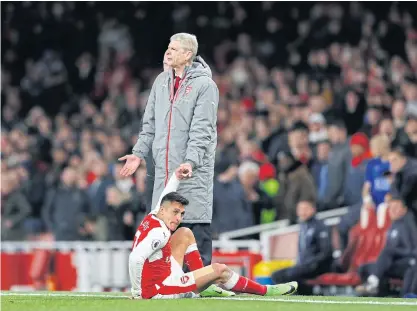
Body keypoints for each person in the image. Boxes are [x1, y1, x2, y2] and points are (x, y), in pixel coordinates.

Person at [119, 33, 218, 267]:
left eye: (174, 48)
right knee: (165, 239)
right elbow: (149, 125)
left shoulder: (205, 86)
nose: (168, 52)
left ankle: (201, 287)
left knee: (193, 231)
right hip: (164, 178)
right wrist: (138, 153)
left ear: (187, 54)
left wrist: (190, 162)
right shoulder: (161, 82)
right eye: (168, 47)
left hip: (190, 175)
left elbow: (202, 130)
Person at [129, 165, 298, 299]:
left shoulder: (155, 214)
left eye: (181, 213)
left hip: (162, 272)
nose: (178, 218)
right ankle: (265, 290)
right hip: (162, 289)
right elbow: (135, 258)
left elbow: (166, 195)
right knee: (220, 270)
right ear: (164, 211)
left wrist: (176, 177)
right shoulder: (161, 233)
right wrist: (138, 292)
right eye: (175, 213)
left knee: (184, 233)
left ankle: (204, 287)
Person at [356, 196, 417, 296]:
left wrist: (392, 251)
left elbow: (410, 249)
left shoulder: (408, 224)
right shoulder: (393, 225)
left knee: (387, 252)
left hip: (408, 262)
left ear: (404, 210)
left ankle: (373, 283)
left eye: (396, 208)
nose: (392, 211)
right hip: (394, 263)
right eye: (391, 208)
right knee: (365, 267)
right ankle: (373, 293)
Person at [271, 200, 332, 294]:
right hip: (303, 265)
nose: (303, 212)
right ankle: (296, 295)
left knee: (290, 275)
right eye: (300, 209)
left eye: (306, 209)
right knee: (276, 274)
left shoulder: (320, 226)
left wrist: (311, 263)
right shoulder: (303, 226)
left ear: (313, 209)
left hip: (316, 266)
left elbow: (326, 252)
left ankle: (303, 294)